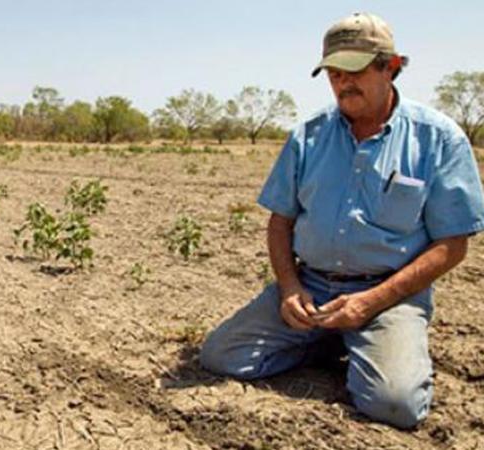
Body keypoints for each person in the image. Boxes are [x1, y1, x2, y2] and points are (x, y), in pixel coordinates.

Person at [199, 12, 484, 429]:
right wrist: (290, 288)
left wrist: (370, 302)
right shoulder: (308, 137)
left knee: (395, 405)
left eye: (354, 70)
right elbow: (281, 222)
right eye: (332, 73)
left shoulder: (438, 139)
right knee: (221, 356)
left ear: (391, 67)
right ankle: (326, 338)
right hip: (311, 286)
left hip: (387, 296)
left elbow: (452, 245)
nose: (342, 83)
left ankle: (364, 341)